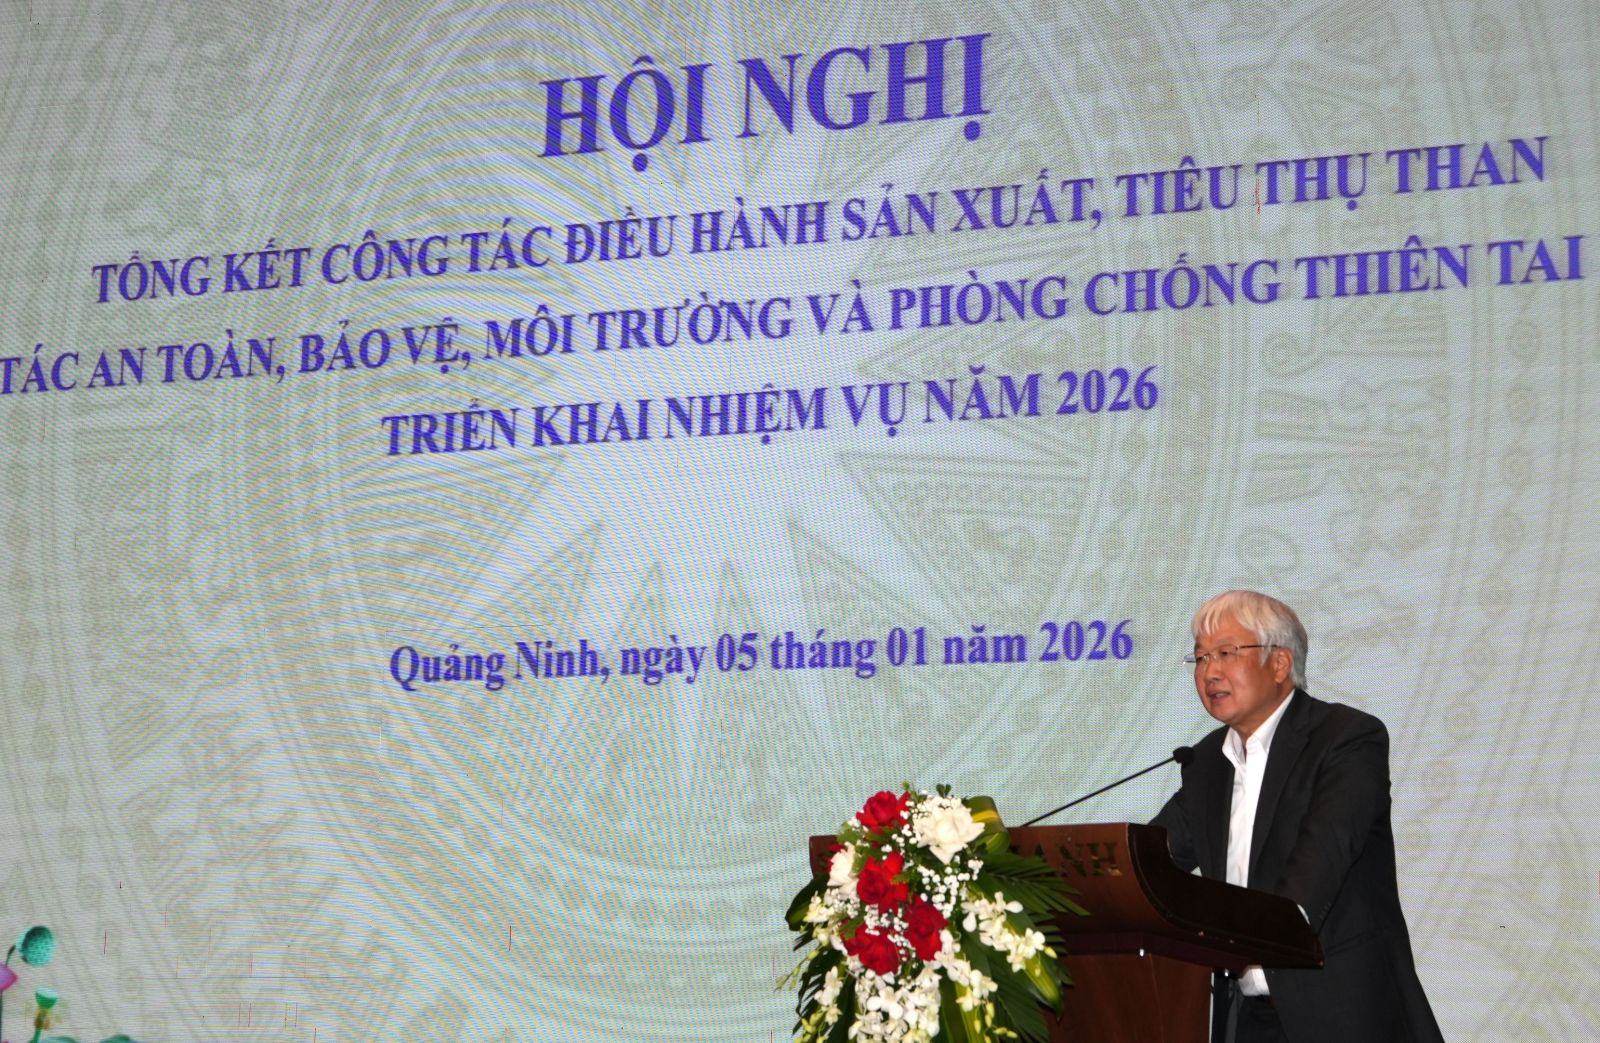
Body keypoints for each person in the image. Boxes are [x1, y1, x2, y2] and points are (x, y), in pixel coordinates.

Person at [1151, 590, 1445, 1043]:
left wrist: (1232, 937)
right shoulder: (1206, 762)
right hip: (1247, 1020)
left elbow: (1320, 860)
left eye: (1226, 653)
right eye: (1200, 657)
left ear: (1279, 663)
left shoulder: (1345, 740)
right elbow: (1148, 859)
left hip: (1343, 1016)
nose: (1209, 672)